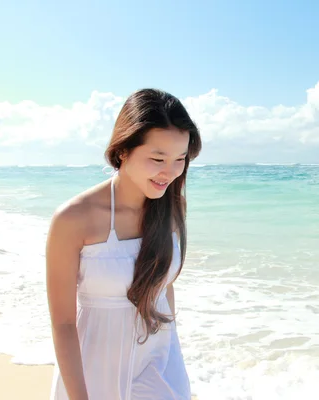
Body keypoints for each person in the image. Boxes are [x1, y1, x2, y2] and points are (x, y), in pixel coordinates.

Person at [45, 88, 202, 400]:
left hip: (158, 366)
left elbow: (164, 286)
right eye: (157, 158)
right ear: (123, 151)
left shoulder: (171, 208)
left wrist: (173, 362)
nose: (168, 172)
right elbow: (63, 324)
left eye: (180, 159)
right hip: (95, 372)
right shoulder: (74, 219)